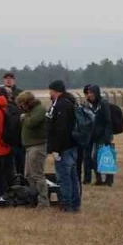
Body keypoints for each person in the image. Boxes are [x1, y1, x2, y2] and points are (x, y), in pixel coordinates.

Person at [45, 81, 80, 213]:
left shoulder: (61, 105)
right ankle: (75, 203)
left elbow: (60, 129)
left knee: (64, 177)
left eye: (51, 91)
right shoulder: (70, 102)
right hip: (72, 146)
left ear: (56, 91)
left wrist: (55, 149)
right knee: (72, 177)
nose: (49, 93)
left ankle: (67, 204)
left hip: (64, 148)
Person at [18, 91, 49, 209]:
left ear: (28, 102)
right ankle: (34, 198)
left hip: (37, 146)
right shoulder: (30, 112)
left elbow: (31, 123)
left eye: (22, 104)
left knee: (37, 175)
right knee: (28, 175)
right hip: (30, 147)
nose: (21, 107)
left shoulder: (39, 110)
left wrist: (24, 116)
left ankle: (43, 202)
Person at [84, 84, 115, 187]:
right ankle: (99, 179)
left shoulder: (103, 104)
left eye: (91, 93)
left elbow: (107, 120)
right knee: (95, 158)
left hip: (104, 135)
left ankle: (108, 180)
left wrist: (106, 135)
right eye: (88, 93)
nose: (90, 95)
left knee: (104, 157)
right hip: (96, 135)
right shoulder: (94, 104)